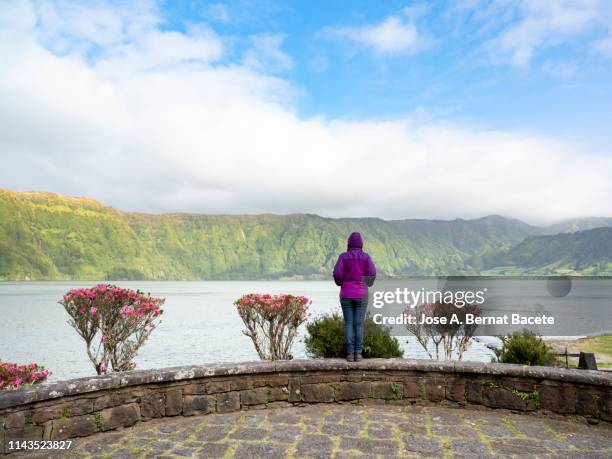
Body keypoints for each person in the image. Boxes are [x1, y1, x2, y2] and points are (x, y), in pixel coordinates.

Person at [333, 232, 376, 362]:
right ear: (361, 243)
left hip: (346, 294)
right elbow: (372, 274)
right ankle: (358, 353)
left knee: (349, 323)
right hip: (361, 295)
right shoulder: (366, 257)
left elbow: (337, 274)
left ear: (349, 243)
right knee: (359, 324)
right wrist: (366, 284)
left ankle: (350, 354)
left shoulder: (343, 257)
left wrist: (341, 284)